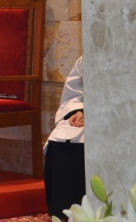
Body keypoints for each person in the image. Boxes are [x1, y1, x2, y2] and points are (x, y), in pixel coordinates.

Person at [44, 56, 84, 220]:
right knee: (61, 138)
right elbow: (73, 95)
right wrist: (79, 111)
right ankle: (62, 215)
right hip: (88, 116)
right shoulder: (87, 59)